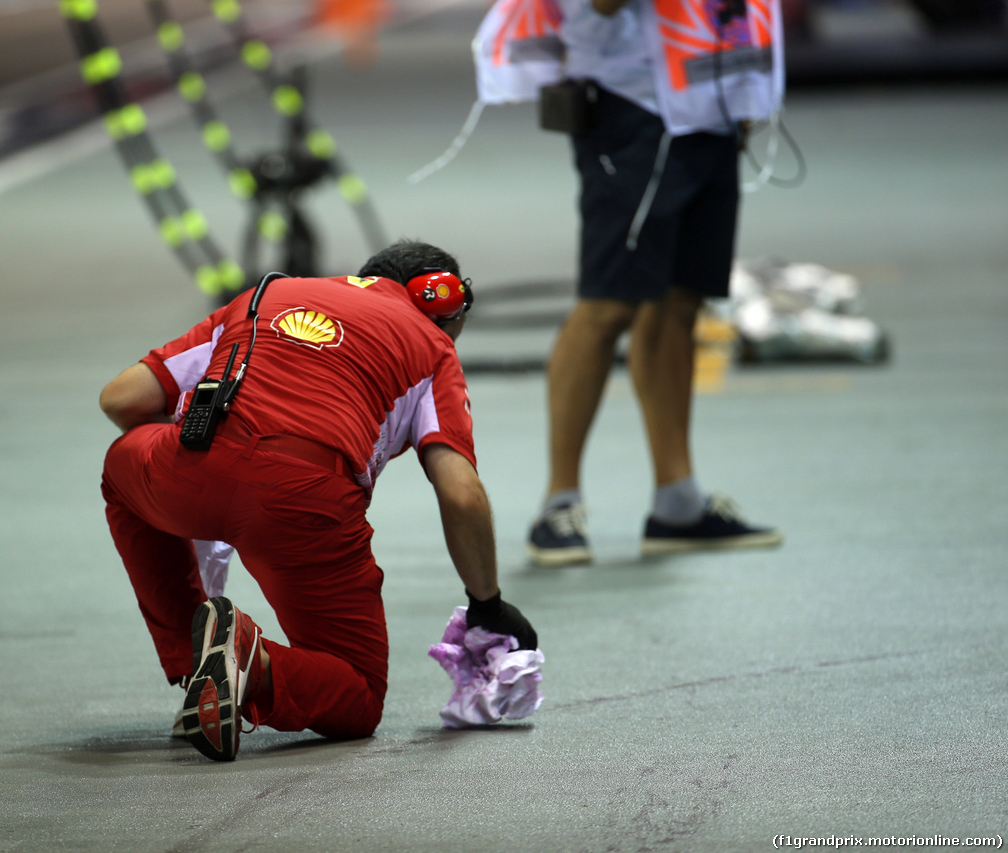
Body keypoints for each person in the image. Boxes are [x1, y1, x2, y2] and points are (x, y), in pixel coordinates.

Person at [99, 239, 538, 762]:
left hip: (190, 466)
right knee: (358, 692)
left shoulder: (264, 295)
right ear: (439, 303)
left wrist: (191, 472)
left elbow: (122, 398)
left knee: (123, 466)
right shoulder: (433, 347)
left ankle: (192, 661)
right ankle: (252, 663)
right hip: (306, 502)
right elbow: (460, 493)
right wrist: (487, 604)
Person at [526, 0, 786, 566]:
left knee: (678, 302)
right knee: (608, 304)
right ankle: (557, 505)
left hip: (707, 105)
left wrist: (742, 86)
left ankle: (677, 503)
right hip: (631, 108)